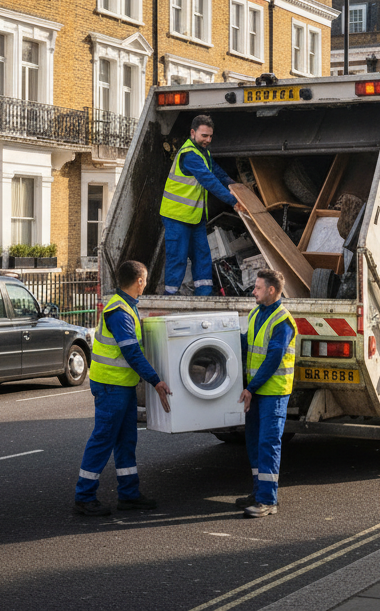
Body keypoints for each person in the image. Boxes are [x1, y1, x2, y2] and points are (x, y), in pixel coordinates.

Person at [74, 260, 173, 516]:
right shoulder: (119, 311)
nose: (146, 283)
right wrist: (156, 380)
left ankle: (129, 494)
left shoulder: (126, 306)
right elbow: (131, 352)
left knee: (126, 440)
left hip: (122, 386)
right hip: (111, 386)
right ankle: (84, 497)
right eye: (146, 279)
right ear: (139, 281)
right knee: (103, 439)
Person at [160, 115, 248, 296]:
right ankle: (171, 296)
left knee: (202, 256)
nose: (208, 140)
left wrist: (236, 186)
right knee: (178, 258)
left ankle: (204, 295)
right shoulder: (189, 155)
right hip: (177, 216)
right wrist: (234, 201)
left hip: (195, 216)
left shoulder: (203, 153)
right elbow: (209, 181)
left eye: (210, 136)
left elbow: (217, 173)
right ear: (193, 133)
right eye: (204, 135)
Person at [236, 269, 297, 518]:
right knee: (253, 441)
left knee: (268, 443)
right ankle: (258, 491)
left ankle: (267, 501)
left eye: (258, 287)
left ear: (271, 290)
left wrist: (250, 388)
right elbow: (245, 345)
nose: (253, 291)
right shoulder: (255, 313)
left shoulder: (282, 321)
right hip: (257, 391)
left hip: (272, 392)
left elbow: (273, 359)